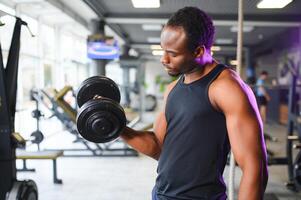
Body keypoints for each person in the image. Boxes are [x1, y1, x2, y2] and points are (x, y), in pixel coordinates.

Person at [121, 7, 268, 200]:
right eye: (163, 50)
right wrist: (119, 129)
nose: (163, 59)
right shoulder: (173, 89)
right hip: (160, 195)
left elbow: (254, 168)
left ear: (198, 51)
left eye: (172, 54)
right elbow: (158, 147)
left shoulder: (226, 89)